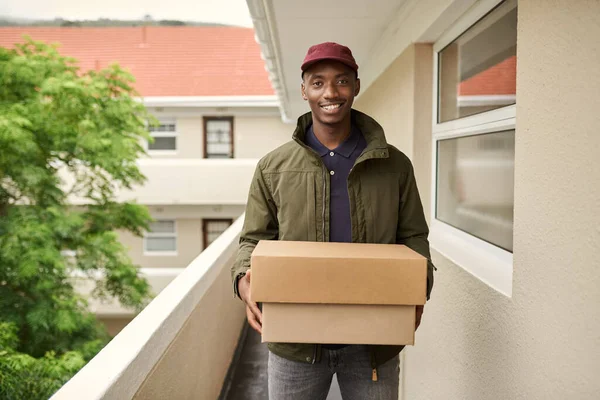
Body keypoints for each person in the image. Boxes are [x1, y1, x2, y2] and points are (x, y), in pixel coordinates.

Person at [231, 42, 435, 400]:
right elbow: (253, 239)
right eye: (318, 82)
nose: (331, 93)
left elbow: (414, 237)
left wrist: (418, 289)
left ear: (356, 86)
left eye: (341, 81)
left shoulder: (394, 165)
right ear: (304, 90)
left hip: (374, 344)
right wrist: (244, 283)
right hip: (295, 346)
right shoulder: (273, 167)